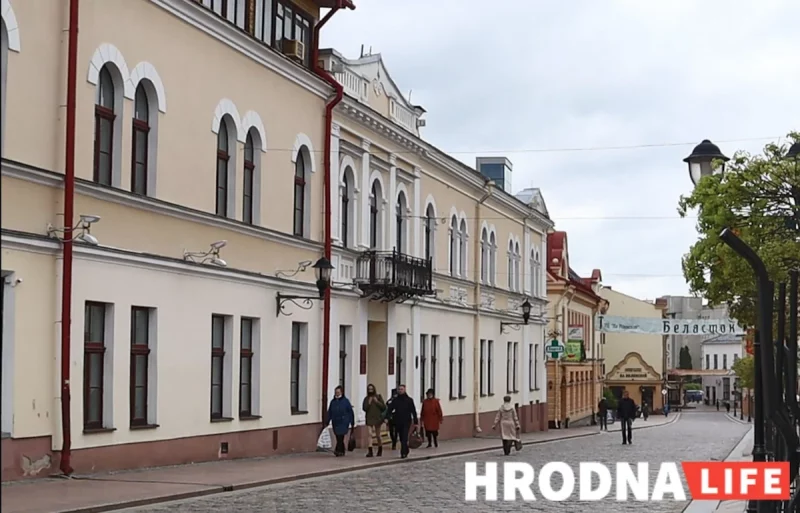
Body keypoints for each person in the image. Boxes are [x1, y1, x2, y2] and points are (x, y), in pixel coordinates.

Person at [385, 384, 418, 459]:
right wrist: (387, 417)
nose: (400, 390)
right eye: (399, 389)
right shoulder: (395, 400)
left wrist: (415, 422)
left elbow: (413, 411)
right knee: (401, 437)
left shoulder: (409, 400)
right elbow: (390, 409)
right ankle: (405, 449)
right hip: (397, 421)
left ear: (405, 390)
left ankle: (403, 453)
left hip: (406, 421)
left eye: (401, 389)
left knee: (404, 437)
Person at [327, 385, 354, 456]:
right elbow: (330, 411)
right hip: (335, 422)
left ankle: (338, 450)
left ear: (341, 392)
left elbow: (350, 411)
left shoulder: (345, 401)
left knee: (340, 436)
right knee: (338, 437)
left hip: (344, 421)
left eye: (338, 392)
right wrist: (327, 420)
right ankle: (342, 450)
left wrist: (352, 421)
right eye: (336, 392)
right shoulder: (333, 402)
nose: (337, 393)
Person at [362, 383, 386, 457]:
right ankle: (370, 450)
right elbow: (364, 408)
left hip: (377, 418)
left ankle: (380, 448)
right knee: (370, 434)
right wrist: (369, 403)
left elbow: (383, 407)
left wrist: (377, 402)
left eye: (371, 389)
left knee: (378, 435)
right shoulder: (366, 399)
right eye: (369, 389)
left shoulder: (378, 397)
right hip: (369, 418)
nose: (370, 390)